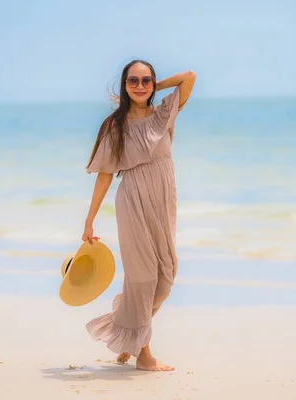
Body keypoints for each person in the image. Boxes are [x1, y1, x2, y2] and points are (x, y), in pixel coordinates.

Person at [81, 59, 196, 371]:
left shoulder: (163, 114)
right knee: (142, 278)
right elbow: (105, 174)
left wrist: (154, 90)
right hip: (132, 200)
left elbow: (189, 77)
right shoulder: (114, 126)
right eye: (133, 81)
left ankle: (129, 335)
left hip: (162, 201)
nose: (140, 86)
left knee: (166, 277)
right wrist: (90, 218)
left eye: (147, 80)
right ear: (124, 84)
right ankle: (144, 355)